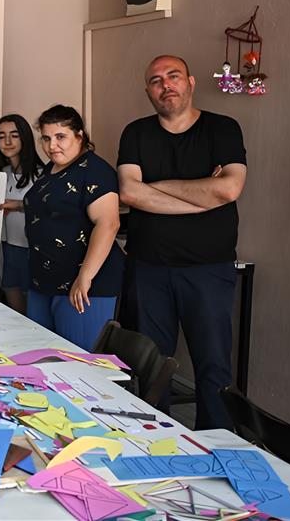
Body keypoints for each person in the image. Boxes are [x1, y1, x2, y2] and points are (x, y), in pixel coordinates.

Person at [117, 55, 247, 430]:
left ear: (190, 82)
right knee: (151, 367)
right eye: (155, 80)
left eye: (173, 76)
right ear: (148, 92)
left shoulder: (222, 129)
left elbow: (230, 188)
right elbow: (129, 192)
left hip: (208, 269)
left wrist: (155, 190)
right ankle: (156, 441)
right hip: (148, 269)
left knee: (213, 366)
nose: (165, 85)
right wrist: (200, 200)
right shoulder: (136, 133)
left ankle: (218, 449)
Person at [24, 105, 124, 351]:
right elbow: (53, 207)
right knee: (41, 357)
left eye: (60, 137)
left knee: (77, 361)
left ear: (79, 135)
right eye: (46, 138)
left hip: (82, 285)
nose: (52, 146)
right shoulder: (52, 168)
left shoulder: (95, 171)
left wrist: (85, 278)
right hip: (44, 279)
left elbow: (109, 223)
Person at [0, 114, 42, 315]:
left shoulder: (41, 174)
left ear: (24, 138)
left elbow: (48, 208)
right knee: (11, 294)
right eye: (1, 136)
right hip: (6, 248)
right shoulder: (2, 172)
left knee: (35, 307)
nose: (7, 141)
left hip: (31, 249)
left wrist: (19, 205)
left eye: (14, 135)